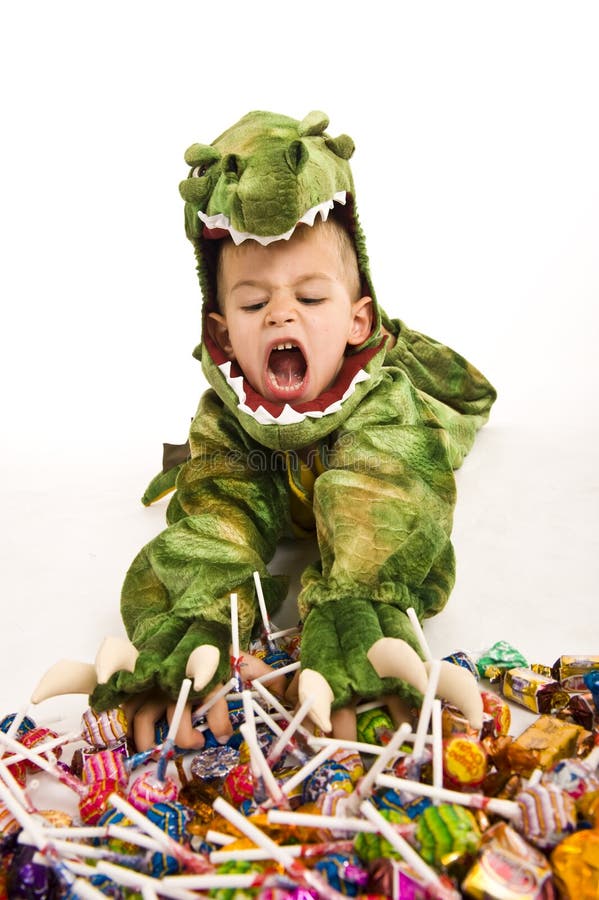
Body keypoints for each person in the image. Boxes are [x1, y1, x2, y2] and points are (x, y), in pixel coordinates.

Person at [33, 110, 496, 751]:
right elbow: (215, 527)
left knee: (408, 452)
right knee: (215, 484)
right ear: (224, 332)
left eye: (311, 299)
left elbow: (387, 494)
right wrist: (197, 623)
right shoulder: (226, 420)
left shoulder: (382, 405)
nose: (282, 311)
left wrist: (358, 609)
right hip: (256, 462)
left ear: (358, 323)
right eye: (255, 304)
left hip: (381, 435)